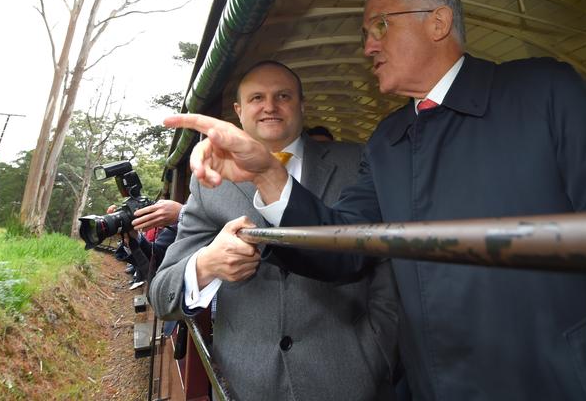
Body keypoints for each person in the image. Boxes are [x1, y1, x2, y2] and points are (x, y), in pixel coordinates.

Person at [164, 0, 586, 401]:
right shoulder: (388, 140)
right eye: (366, 33)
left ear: (438, 22)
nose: (368, 46)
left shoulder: (545, 93)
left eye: (380, 26)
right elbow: (343, 248)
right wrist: (268, 174)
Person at [150, 61, 400, 401]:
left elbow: (385, 261)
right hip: (247, 384)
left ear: (301, 104)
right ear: (238, 111)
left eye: (283, 95)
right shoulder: (210, 183)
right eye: (256, 98)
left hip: (352, 378)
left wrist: (379, 350)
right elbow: (162, 293)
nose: (269, 106)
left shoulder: (355, 162)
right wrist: (205, 266)